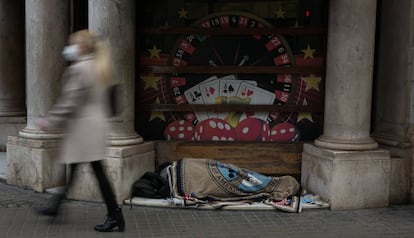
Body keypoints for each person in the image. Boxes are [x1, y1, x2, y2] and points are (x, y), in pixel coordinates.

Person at [35, 30, 124, 232]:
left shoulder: (79, 69)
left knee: (96, 172)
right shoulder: (101, 66)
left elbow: (69, 102)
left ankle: (115, 215)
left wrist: (49, 121)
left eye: (73, 43)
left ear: (83, 47)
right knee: (77, 169)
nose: (70, 48)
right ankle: (55, 207)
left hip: (83, 129)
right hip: (95, 126)